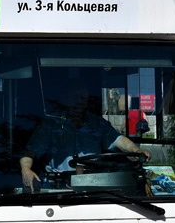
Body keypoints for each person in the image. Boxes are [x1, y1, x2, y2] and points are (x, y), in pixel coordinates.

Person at [19, 78, 150, 191]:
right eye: (75, 95)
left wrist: (136, 150)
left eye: (83, 96)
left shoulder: (97, 123)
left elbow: (118, 140)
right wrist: (26, 169)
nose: (80, 100)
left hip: (94, 185)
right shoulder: (51, 124)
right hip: (59, 186)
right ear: (64, 97)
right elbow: (30, 152)